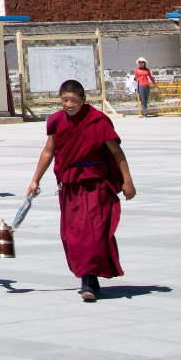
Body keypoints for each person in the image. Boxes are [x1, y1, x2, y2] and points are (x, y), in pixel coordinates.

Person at [26, 80, 137, 303]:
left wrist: (127, 180)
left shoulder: (96, 121)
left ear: (83, 100)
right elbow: (49, 151)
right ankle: (89, 276)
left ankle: (88, 279)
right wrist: (35, 180)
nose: (69, 105)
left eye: (74, 100)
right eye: (65, 100)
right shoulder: (56, 121)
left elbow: (116, 152)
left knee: (94, 233)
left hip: (96, 184)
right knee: (74, 235)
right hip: (71, 185)